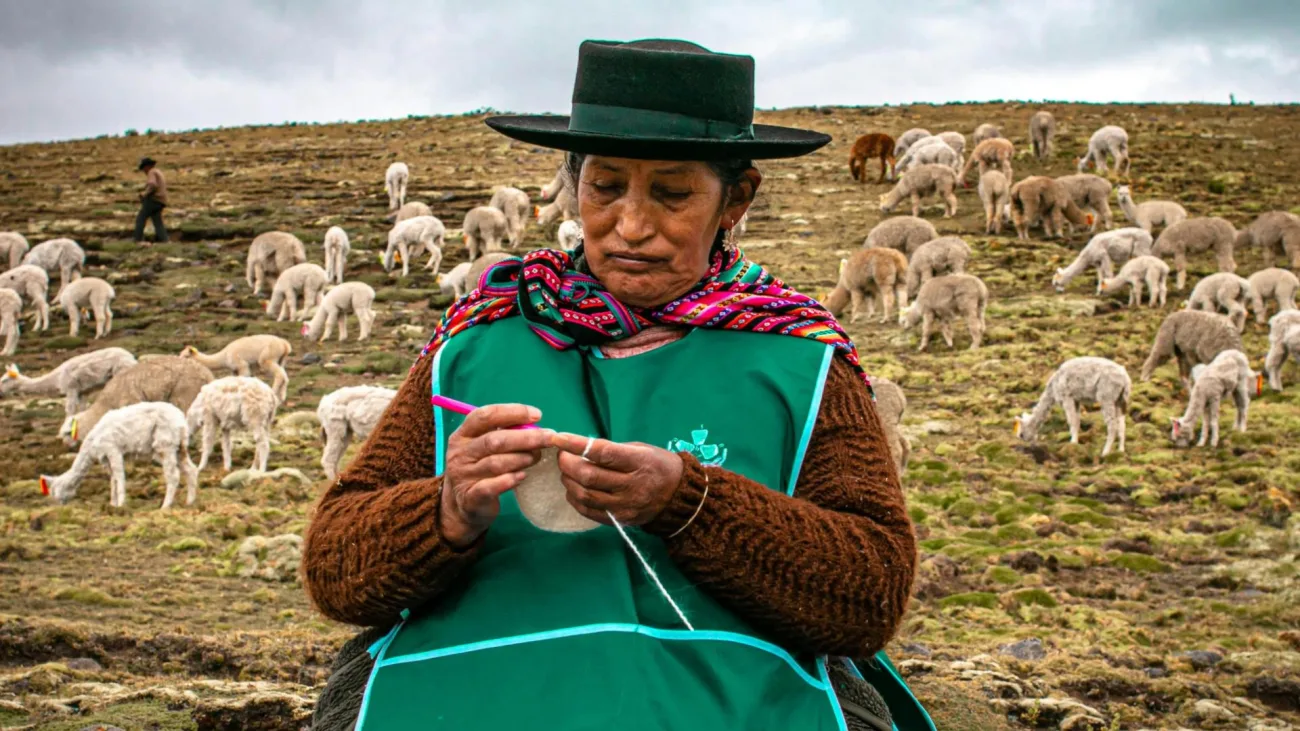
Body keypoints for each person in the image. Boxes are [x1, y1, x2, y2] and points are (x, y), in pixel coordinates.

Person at [303, 38, 934, 731]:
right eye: (605, 188)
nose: (631, 226)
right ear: (574, 184)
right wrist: (446, 510)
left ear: (736, 198)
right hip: (468, 687)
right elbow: (336, 569)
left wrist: (690, 502)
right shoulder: (474, 341)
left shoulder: (802, 358)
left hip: (737, 699)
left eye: (672, 193)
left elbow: (871, 593)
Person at [134, 156, 168, 244]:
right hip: (161, 201)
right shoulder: (158, 171)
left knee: (140, 218)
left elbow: (152, 184)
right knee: (158, 222)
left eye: (143, 168)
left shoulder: (151, 172)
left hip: (154, 200)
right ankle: (164, 240)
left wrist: (144, 194)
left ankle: (137, 239)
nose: (144, 171)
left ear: (147, 166)